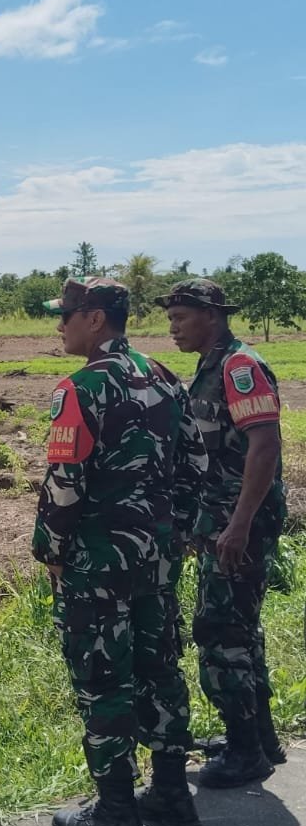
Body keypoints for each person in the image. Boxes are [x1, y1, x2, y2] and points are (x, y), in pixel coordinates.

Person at [35, 278, 204, 826]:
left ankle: (115, 813)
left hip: (99, 563)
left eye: (66, 316)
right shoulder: (164, 378)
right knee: (160, 667)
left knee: (104, 678)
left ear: (97, 320)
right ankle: (173, 795)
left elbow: (65, 485)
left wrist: (51, 552)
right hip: (156, 556)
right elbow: (195, 465)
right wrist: (174, 531)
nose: (59, 326)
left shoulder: (80, 389)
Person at [157, 278, 287, 788]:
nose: (174, 328)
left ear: (212, 315)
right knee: (243, 631)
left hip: (240, 526)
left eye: (181, 318)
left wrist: (237, 525)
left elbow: (265, 448)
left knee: (219, 631)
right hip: (223, 522)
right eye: (170, 320)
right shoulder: (211, 369)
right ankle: (260, 738)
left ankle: (244, 752)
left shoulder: (239, 367)